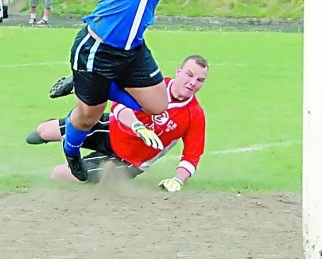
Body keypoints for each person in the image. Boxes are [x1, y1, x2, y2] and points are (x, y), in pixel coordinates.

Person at [61, 0, 217, 182]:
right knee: (88, 117)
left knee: (158, 105)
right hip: (98, 48)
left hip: (133, 49)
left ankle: (87, 84)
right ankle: (71, 150)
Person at [27, 55, 209, 191]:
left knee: (58, 175)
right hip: (112, 128)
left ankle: (96, 164)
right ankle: (77, 95)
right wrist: (137, 126)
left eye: (199, 80)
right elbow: (119, 106)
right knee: (41, 132)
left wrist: (177, 180)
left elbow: (192, 156)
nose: (193, 83)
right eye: (189, 75)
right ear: (179, 71)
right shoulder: (154, 86)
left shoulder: (195, 115)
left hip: (129, 160)